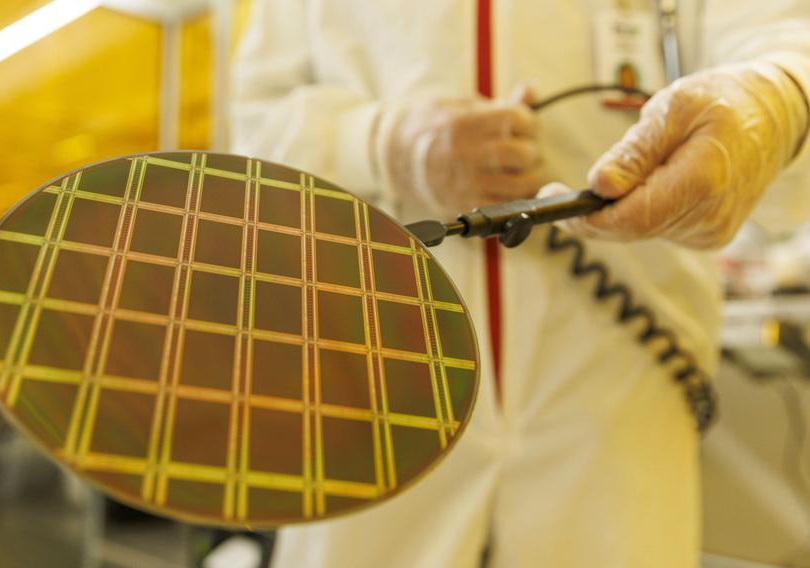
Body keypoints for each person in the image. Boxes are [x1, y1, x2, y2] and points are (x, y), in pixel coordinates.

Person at [229, 1, 810, 566]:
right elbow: (252, 130)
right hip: (369, 389)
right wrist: (382, 144)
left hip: (614, 393)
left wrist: (770, 101)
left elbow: (786, 43)